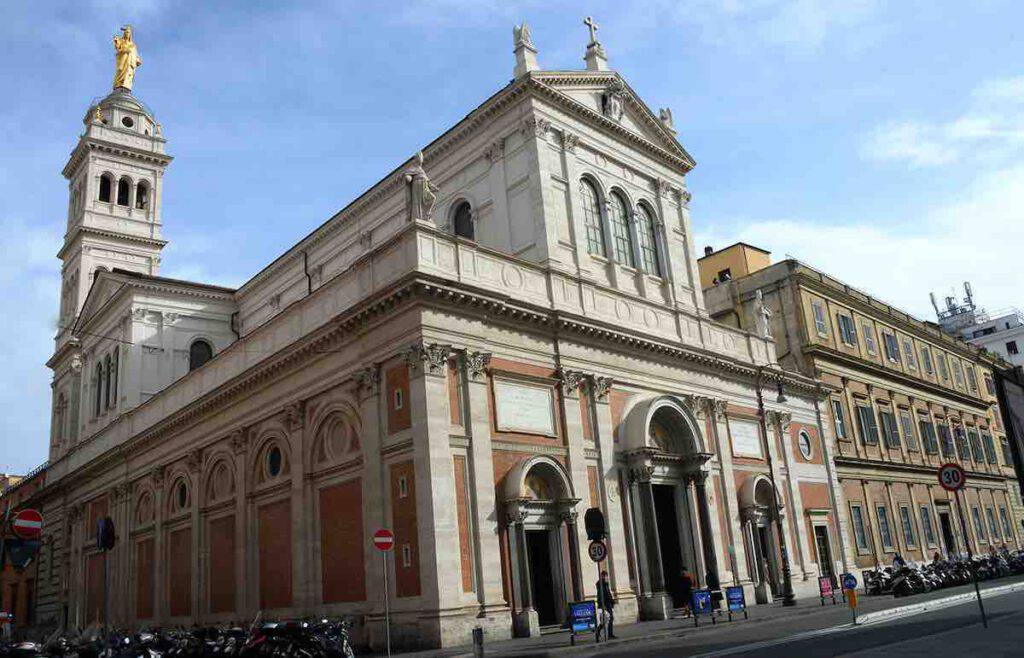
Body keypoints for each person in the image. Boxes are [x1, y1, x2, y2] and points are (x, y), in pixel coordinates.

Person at [596, 570, 617, 639]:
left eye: (606, 576)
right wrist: (604, 604)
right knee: (608, 618)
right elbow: (603, 595)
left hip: (607, 603)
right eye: (605, 576)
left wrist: (612, 601)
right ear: (602, 576)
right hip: (605, 604)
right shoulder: (601, 584)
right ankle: (609, 635)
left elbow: (608, 594)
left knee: (607, 619)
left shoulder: (605, 584)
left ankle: (599, 631)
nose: (606, 577)